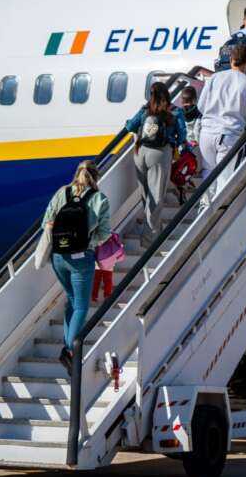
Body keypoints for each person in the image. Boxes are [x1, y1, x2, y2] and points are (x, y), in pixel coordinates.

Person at [42, 160, 111, 373]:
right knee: (81, 305)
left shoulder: (61, 193)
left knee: (71, 301)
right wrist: (90, 241)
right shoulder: (99, 199)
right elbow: (105, 233)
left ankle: (68, 345)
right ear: (96, 177)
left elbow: (46, 221)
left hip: (59, 257)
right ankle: (70, 350)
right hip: (82, 258)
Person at [198, 41, 246, 202]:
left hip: (206, 133)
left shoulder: (214, 78)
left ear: (231, 60)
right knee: (225, 180)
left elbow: (201, 106)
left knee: (208, 174)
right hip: (229, 135)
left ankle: (204, 208)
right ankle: (217, 219)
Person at [125, 82, 186, 245]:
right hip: (160, 154)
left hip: (140, 153)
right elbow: (182, 136)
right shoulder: (175, 111)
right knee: (156, 197)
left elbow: (130, 126)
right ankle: (149, 240)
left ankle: (154, 228)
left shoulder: (145, 110)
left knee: (146, 195)